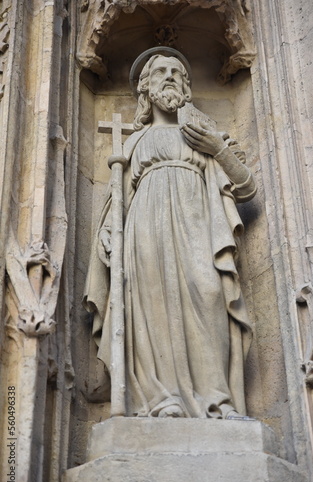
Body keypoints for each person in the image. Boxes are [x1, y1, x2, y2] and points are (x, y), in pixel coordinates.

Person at [83, 51, 257, 419]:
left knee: (210, 294)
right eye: (160, 72)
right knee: (152, 305)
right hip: (146, 228)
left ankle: (217, 400)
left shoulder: (205, 133)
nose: (170, 77)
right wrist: (110, 230)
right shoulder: (134, 141)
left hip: (198, 225)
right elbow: (119, 198)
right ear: (145, 88)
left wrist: (218, 149)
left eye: (177, 72)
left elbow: (245, 187)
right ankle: (161, 399)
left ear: (187, 87)